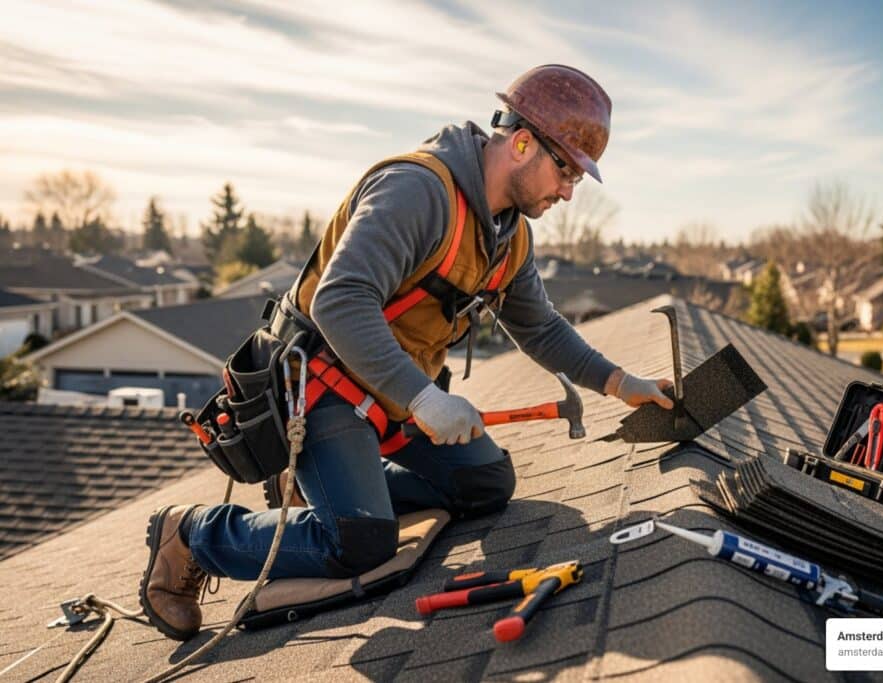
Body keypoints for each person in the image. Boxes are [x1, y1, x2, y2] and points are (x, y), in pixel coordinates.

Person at [139, 64, 675, 641]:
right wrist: (424, 398)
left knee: (488, 483)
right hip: (322, 390)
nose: (569, 191)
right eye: (565, 170)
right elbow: (339, 301)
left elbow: (539, 327)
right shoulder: (417, 191)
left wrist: (620, 383)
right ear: (522, 143)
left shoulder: (509, 233)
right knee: (360, 542)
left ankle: (326, 490)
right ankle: (193, 536)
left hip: (392, 398)